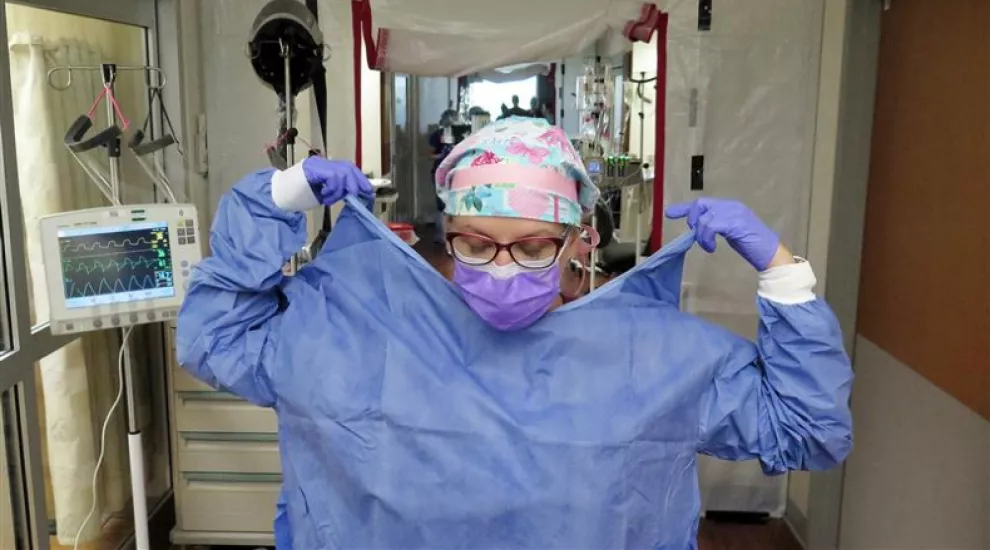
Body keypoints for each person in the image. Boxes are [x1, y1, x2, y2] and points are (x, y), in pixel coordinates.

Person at [177, 116, 853, 550]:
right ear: (447, 236)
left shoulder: (653, 356)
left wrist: (780, 267)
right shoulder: (355, 334)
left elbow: (810, 429)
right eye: (478, 244)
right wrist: (277, 198)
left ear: (578, 239)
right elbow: (214, 338)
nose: (503, 270)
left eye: (532, 248)